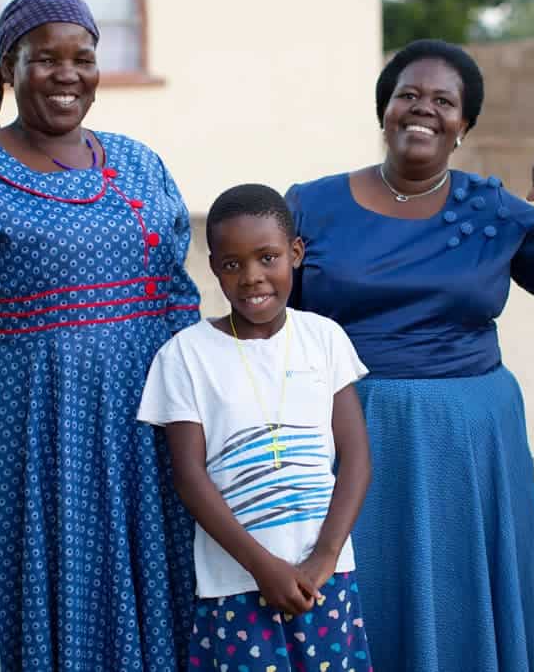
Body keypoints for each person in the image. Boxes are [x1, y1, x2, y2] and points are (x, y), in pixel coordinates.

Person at [0, 0, 199, 671]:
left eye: (82, 58)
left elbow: (178, 291)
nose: (66, 74)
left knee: (150, 572)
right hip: (37, 434)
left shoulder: (138, 160)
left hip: (147, 427)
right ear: (7, 70)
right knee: (42, 571)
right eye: (43, 58)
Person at [285, 38, 534, 672]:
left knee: (459, 595)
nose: (423, 110)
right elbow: (266, 304)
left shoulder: (493, 210)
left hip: (468, 442)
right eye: (408, 96)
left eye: (443, 101)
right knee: (358, 591)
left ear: (464, 125)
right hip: (346, 429)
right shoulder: (311, 204)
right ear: (384, 111)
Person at [137, 184, 374, 672]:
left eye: (268, 258)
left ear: (296, 254)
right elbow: (189, 477)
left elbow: (356, 458)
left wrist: (325, 557)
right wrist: (262, 566)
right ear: (214, 268)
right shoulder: (185, 355)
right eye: (232, 264)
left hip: (326, 578)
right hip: (238, 582)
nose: (252, 277)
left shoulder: (323, 339)